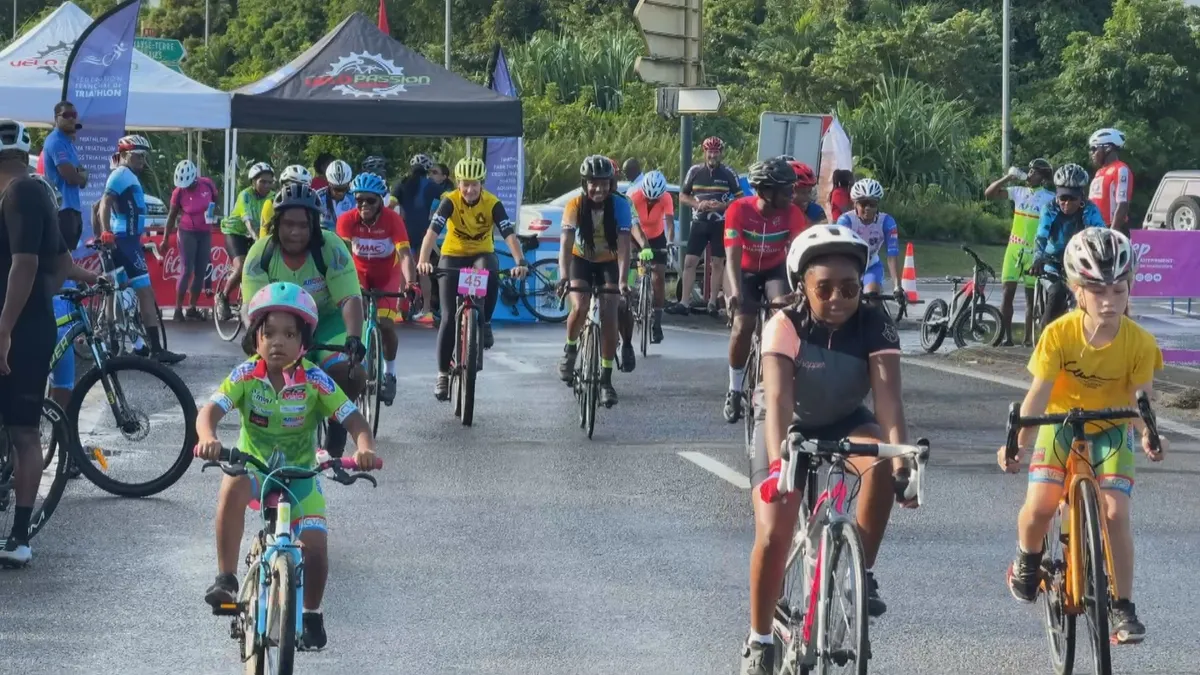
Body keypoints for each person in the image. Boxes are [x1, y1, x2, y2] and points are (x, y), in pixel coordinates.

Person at [741, 225, 912, 675]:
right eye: (825, 288)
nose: (838, 297)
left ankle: (862, 572)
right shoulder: (786, 324)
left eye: (850, 288)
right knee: (775, 533)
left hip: (843, 417)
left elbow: (889, 400)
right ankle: (760, 640)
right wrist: (781, 464)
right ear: (803, 287)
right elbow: (777, 399)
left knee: (878, 462)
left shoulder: (874, 323)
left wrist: (901, 462)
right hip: (787, 425)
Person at [999, 227, 1164, 645]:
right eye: (1097, 290)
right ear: (1076, 291)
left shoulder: (1140, 342)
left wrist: (1147, 434)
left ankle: (1123, 606)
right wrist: (1015, 441)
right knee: (1039, 507)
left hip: (1112, 428)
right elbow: (1038, 395)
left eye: (1118, 289)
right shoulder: (1058, 334)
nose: (1109, 301)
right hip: (1060, 425)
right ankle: (1027, 558)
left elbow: (1141, 400)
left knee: (1115, 514)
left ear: (1130, 287)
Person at [196, 281, 378, 651]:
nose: (278, 342)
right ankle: (226, 577)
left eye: (289, 334)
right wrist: (209, 438)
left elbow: (355, 421)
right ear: (255, 340)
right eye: (269, 334)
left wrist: (364, 448)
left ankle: (311, 613)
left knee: (315, 546)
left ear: (304, 342)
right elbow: (209, 413)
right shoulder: (245, 375)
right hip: (254, 469)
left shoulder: (315, 379)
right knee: (230, 486)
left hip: (301, 475)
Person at [242, 183, 365, 459]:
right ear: (276, 225)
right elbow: (253, 310)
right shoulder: (260, 255)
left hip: (328, 320)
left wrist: (353, 338)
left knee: (352, 371)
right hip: (280, 326)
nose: (295, 232)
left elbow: (349, 300)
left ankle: (336, 424)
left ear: (314, 226)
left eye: (302, 225)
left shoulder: (331, 248)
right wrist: (253, 337)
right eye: (287, 224)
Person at [0, 119, 73, 567]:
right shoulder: (36, 193)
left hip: (16, 332)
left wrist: (8, 326)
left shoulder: (21, 194)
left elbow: (24, 265)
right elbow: (62, 263)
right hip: (27, 325)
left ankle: (19, 537)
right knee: (17, 428)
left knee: (24, 431)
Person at [416, 157, 529, 400]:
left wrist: (520, 261)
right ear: (458, 183)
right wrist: (423, 260)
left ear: (481, 184)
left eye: (474, 184)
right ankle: (442, 375)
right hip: (452, 255)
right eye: (465, 184)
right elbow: (431, 232)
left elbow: (508, 233)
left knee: (490, 269)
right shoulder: (449, 201)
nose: (469, 189)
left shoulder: (492, 203)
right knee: (447, 317)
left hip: (480, 254)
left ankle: (484, 321)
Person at [722, 159, 808, 423]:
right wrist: (734, 292)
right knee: (743, 325)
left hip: (774, 270)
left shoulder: (792, 213)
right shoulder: (738, 209)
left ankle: (777, 376)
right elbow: (732, 256)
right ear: (765, 191)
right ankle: (735, 389)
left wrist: (802, 288)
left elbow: (800, 253)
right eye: (785, 190)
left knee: (784, 311)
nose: (791, 195)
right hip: (743, 272)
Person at [98, 135, 184, 364]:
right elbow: (105, 203)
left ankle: (115, 345)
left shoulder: (126, 176)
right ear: (125, 155)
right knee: (145, 293)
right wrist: (106, 231)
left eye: (144, 157)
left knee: (113, 294)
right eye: (138, 156)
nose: (142, 162)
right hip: (124, 241)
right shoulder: (121, 174)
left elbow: (101, 205)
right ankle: (156, 349)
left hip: (126, 240)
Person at [556, 155, 632, 406]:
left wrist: (622, 281)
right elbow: (566, 243)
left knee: (610, 312)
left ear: (611, 184)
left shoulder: (620, 205)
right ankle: (570, 349)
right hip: (582, 260)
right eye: (593, 183)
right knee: (580, 306)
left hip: (609, 261)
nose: (598, 189)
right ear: (584, 184)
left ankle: (606, 380)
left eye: (603, 183)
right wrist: (564, 276)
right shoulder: (575, 205)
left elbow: (623, 246)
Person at [336, 173, 417, 406]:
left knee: (386, 326)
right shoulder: (346, 220)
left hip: (386, 277)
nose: (364, 205)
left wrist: (411, 283)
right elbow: (341, 257)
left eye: (370, 200)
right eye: (359, 200)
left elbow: (404, 255)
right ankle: (348, 364)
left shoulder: (393, 220)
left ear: (381, 200)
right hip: (358, 275)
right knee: (351, 320)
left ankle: (389, 372)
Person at [668, 136, 743, 317]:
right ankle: (684, 302)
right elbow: (683, 196)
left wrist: (723, 206)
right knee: (689, 262)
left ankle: (711, 303)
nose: (712, 155)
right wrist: (697, 204)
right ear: (704, 153)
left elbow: (740, 198)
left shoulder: (728, 173)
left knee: (717, 263)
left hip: (720, 223)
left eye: (716, 152)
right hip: (699, 222)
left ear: (721, 153)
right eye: (709, 152)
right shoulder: (694, 171)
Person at [985, 158, 1055, 346]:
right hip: (1014, 249)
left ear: (1043, 177)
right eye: (1029, 171)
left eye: (1034, 173)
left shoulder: (1050, 198)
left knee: (1031, 299)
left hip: (1034, 252)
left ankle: (1027, 339)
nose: (1030, 175)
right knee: (1007, 292)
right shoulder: (1018, 192)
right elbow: (989, 194)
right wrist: (1008, 177)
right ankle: (1005, 337)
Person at [1032, 163, 1106, 327]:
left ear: (1081, 197)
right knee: (1057, 292)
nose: (1066, 203)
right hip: (1052, 262)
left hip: (1078, 261)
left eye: (1072, 198)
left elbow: (1100, 235)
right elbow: (1041, 236)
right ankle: (1045, 339)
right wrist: (1038, 258)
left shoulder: (1090, 210)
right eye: (1062, 198)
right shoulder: (1049, 209)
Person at [216, 162, 274, 320]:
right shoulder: (245, 196)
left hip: (255, 234)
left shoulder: (272, 197)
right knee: (241, 266)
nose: (266, 185)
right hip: (235, 232)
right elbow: (248, 222)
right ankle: (223, 297)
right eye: (263, 181)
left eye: (270, 182)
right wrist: (257, 239)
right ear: (253, 182)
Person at [164, 159, 218, 321]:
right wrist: (165, 237)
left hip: (205, 232)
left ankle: (192, 307)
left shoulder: (207, 185)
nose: (186, 188)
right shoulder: (179, 192)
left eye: (189, 185)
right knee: (187, 269)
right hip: (187, 232)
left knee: (201, 271)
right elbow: (172, 216)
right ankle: (178, 309)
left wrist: (212, 213)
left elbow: (215, 201)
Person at [627, 170, 673, 345]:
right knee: (629, 267)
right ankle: (627, 299)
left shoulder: (666, 198)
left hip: (656, 237)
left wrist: (670, 241)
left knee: (658, 277)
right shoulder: (634, 196)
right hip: (635, 235)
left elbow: (669, 222)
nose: (651, 201)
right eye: (649, 198)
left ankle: (657, 324)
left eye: (655, 199)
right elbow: (628, 223)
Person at [835, 178, 900, 297]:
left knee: (872, 297)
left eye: (872, 204)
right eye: (863, 203)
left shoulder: (887, 222)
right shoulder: (845, 221)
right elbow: (839, 254)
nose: (868, 208)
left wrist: (897, 286)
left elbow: (892, 255)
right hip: (849, 267)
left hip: (871, 266)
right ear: (855, 204)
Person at [41, 101, 87, 251]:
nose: (71, 119)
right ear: (56, 118)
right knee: (60, 260)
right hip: (62, 210)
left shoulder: (69, 143)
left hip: (72, 208)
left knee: (67, 259)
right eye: (66, 115)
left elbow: (82, 176)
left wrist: (80, 175)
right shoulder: (56, 141)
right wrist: (80, 175)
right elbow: (72, 177)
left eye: (74, 115)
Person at [1087, 128, 1133, 235]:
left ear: (1108, 148)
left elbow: (1122, 204)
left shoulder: (1121, 169)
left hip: (1112, 228)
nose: (1092, 153)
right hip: (1096, 228)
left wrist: (1112, 233)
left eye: (1094, 148)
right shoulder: (1099, 172)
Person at [258, 165, 313, 238]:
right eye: (291, 186)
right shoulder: (271, 204)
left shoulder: (308, 207)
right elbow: (269, 233)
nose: (295, 190)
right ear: (283, 186)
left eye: (301, 188)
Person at [316, 160, 355, 232]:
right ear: (329, 184)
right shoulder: (318, 197)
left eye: (344, 188)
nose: (340, 193)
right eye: (336, 189)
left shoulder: (354, 198)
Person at [787, 161, 826, 225]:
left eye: (809, 191)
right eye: (802, 192)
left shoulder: (816, 211)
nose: (808, 197)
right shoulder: (775, 213)